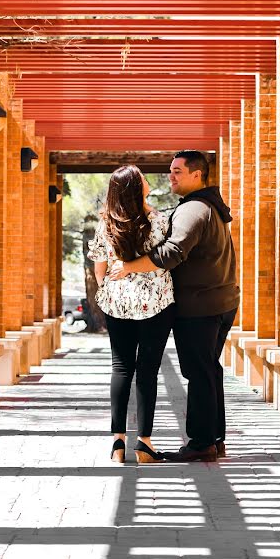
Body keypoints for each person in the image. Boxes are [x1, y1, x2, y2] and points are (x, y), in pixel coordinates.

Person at [110, 150, 239, 462]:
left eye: (178, 171)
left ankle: (201, 443)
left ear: (197, 175)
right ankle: (215, 439)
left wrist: (129, 267)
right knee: (208, 370)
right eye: (171, 170)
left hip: (200, 307)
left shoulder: (193, 209)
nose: (171, 176)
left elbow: (172, 252)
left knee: (198, 372)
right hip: (218, 301)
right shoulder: (206, 206)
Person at [87, 165, 176, 464]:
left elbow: (99, 268)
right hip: (156, 304)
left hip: (118, 304)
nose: (147, 182)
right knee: (147, 370)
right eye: (142, 180)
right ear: (135, 188)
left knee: (121, 368)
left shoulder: (106, 225)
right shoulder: (159, 222)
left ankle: (117, 443)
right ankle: (145, 443)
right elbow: (164, 260)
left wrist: (110, 293)